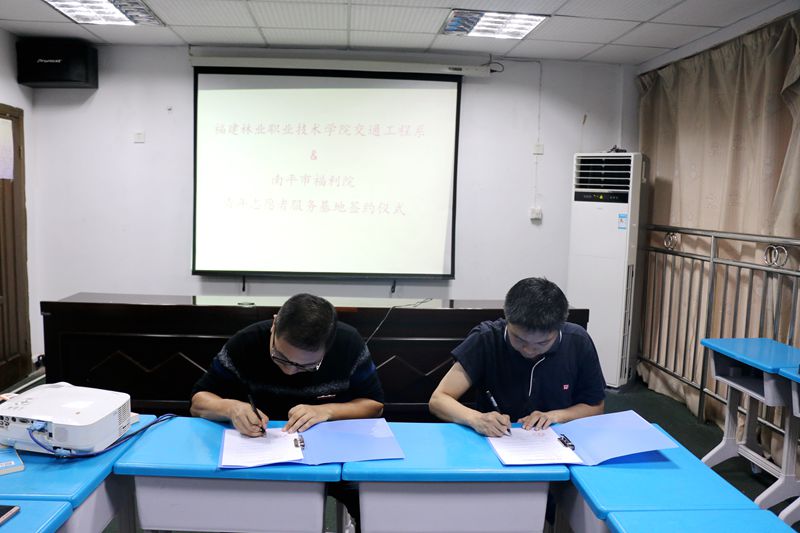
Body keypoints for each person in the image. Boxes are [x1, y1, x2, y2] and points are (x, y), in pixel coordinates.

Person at [190, 293, 384, 532]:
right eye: (280, 357)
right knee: (223, 507)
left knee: (376, 507)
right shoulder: (247, 341)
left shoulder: (348, 343)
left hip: (331, 457)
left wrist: (328, 411)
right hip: (259, 457)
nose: (289, 371)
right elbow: (199, 402)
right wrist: (232, 408)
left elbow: (374, 405)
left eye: (306, 366)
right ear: (274, 324)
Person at [429, 277, 605, 437]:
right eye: (519, 340)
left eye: (542, 343)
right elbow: (439, 399)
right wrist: (476, 418)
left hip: (557, 441)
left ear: (559, 328)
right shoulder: (486, 339)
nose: (529, 350)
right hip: (496, 440)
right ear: (508, 320)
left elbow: (595, 406)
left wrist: (556, 416)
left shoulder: (577, 341)